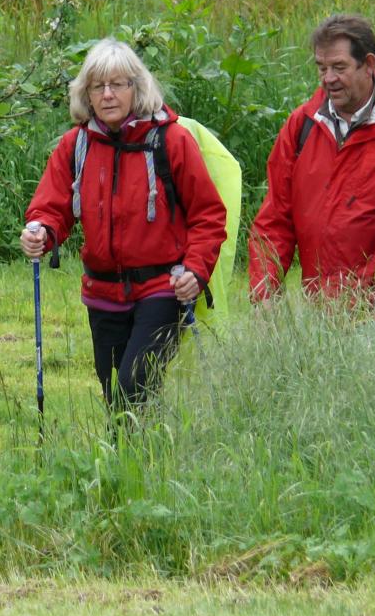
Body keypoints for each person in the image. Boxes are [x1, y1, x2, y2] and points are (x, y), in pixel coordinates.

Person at [20, 38, 227, 409]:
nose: (108, 95)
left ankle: (146, 459)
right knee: (115, 397)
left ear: (137, 87)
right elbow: (52, 205)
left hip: (161, 288)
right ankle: (135, 463)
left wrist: (196, 270)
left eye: (118, 84)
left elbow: (207, 215)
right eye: (97, 87)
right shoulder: (76, 145)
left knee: (134, 386)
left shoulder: (171, 141)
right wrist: (42, 230)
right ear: (86, 94)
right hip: (102, 292)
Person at [247, 14, 375, 301]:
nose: (328, 79)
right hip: (322, 313)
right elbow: (274, 219)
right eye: (322, 68)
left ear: (369, 64)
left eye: (339, 67)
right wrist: (264, 292)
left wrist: (362, 298)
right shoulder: (303, 124)